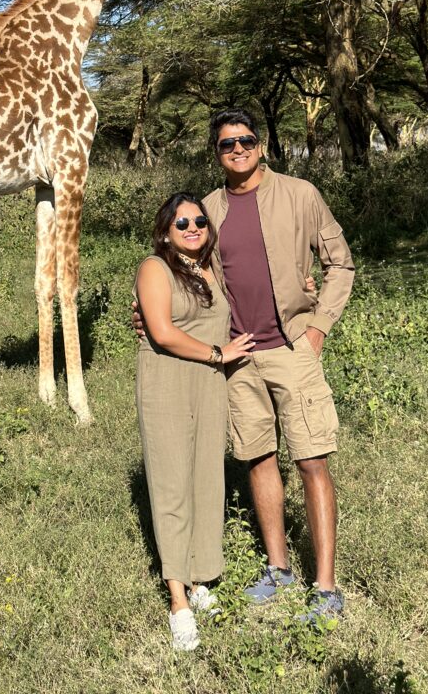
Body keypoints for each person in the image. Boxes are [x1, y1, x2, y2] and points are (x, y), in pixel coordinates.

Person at [136, 109, 355, 624]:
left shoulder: (301, 194)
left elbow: (339, 263)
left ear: (262, 145)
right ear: (215, 152)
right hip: (236, 356)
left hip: (292, 348)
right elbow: (178, 269)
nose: (237, 149)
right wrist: (147, 313)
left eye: (246, 140)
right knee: (257, 457)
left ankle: (325, 586)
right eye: (226, 144)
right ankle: (278, 570)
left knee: (312, 460)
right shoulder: (207, 208)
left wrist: (318, 326)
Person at [135, 192, 255, 651]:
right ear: (166, 229)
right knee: (170, 485)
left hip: (209, 385)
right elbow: (162, 332)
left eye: (198, 221)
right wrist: (218, 354)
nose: (191, 228)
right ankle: (178, 599)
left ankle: (202, 576)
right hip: (168, 380)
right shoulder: (155, 268)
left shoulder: (210, 268)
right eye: (181, 222)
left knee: (208, 480)